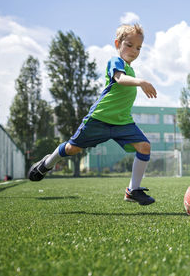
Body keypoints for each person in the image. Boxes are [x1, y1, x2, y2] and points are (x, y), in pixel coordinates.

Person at [27, 24, 158, 205]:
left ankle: (132, 190)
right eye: (129, 45)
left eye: (138, 48)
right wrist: (140, 82)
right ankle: (46, 163)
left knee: (144, 147)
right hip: (99, 119)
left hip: (122, 123)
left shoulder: (131, 69)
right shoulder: (116, 62)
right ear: (117, 44)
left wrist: (138, 80)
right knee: (72, 149)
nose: (134, 51)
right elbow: (120, 79)